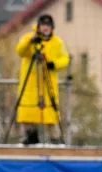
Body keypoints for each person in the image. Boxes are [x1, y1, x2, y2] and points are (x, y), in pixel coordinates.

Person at [15, 14, 70, 145]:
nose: (46, 28)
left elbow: (65, 58)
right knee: (28, 112)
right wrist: (30, 41)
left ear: (52, 27)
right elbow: (20, 51)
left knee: (50, 113)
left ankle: (56, 139)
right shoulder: (28, 38)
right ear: (39, 26)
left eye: (48, 25)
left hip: (47, 83)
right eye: (43, 25)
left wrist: (54, 64)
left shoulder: (57, 42)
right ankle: (31, 137)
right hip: (30, 84)